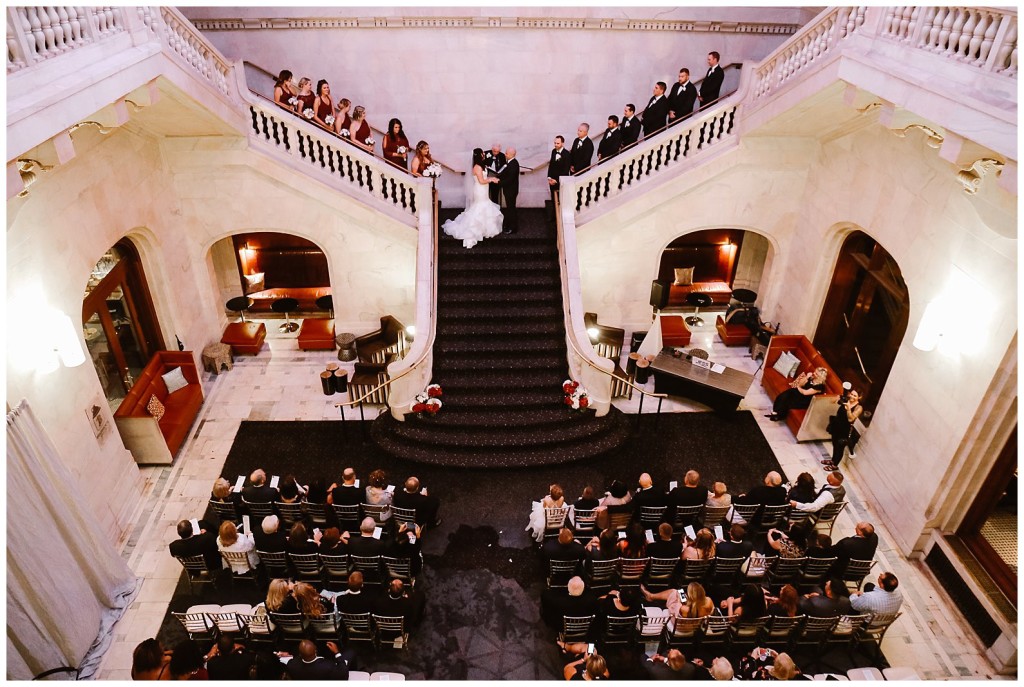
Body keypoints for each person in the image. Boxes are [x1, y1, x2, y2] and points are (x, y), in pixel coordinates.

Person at [441, 148, 503, 249]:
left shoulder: (481, 165)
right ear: (479, 156)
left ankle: (483, 228)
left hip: (484, 189)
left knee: (485, 204)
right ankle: (474, 229)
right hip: (480, 189)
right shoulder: (477, 167)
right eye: (482, 153)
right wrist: (492, 179)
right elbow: (482, 181)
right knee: (480, 206)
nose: (484, 154)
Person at [826, 389, 863, 470]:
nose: (852, 396)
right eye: (852, 394)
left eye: (855, 395)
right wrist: (836, 398)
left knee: (839, 447)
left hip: (844, 429)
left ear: (859, 397)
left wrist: (849, 408)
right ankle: (833, 460)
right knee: (834, 444)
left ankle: (835, 465)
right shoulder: (846, 399)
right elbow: (832, 402)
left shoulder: (858, 408)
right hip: (836, 425)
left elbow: (850, 419)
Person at [285, 639, 352, 680]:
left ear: (299, 654)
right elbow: (344, 675)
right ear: (316, 651)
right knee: (350, 652)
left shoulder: (292, 665)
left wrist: (288, 655)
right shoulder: (328, 666)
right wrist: (337, 652)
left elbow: (288, 660)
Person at [642, 581, 714, 619]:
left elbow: (675, 610)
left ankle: (651, 596)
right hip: (694, 619)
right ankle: (651, 596)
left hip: (679, 625)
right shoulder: (708, 601)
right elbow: (711, 610)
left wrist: (679, 599)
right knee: (678, 593)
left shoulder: (685, 609)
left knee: (675, 592)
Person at [644, 648, 709, 680]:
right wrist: (664, 659)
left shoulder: (655, 670)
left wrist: (651, 659)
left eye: (670, 652)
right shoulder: (691, 668)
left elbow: (647, 665)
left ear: (669, 659)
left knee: (642, 656)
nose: (671, 649)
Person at [547, 135, 572, 212]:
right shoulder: (553, 151)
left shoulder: (567, 154)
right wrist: (549, 177)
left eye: (558, 143)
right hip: (552, 180)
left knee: (561, 200)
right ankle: (554, 217)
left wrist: (557, 180)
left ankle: (560, 218)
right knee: (553, 200)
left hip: (561, 181)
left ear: (562, 143)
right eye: (555, 143)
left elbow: (565, 170)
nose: (555, 145)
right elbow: (551, 165)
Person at [499, 147, 519, 233]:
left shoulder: (514, 164)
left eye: (506, 153)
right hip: (509, 189)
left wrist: (499, 182)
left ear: (511, 155)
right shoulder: (509, 163)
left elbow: (510, 179)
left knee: (511, 208)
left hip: (511, 190)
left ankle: (513, 228)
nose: (505, 154)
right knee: (510, 208)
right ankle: (509, 224)